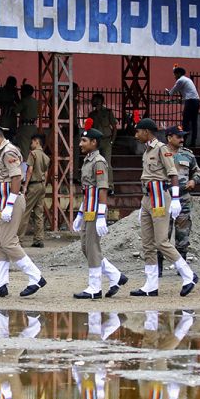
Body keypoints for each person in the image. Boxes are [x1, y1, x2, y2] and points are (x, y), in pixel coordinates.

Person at [130, 116, 197, 297]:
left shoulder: (162, 149)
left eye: (138, 131)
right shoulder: (147, 150)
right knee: (147, 243)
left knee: (161, 241)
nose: (136, 135)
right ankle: (151, 285)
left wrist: (175, 198)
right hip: (147, 198)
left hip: (160, 196)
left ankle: (188, 275)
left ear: (147, 132)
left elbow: (173, 174)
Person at [0, 124, 46, 298]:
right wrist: (0, 206)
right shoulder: (3, 151)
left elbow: (16, 177)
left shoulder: (9, 151)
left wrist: (9, 204)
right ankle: (0, 284)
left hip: (12, 201)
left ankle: (35, 276)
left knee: (8, 242)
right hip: (4, 202)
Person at [72, 119, 127, 299]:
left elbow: (102, 188)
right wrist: (79, 214)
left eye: (84, 141)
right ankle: (115, 275)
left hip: (96, 210)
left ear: (94, 143)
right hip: (88, 208)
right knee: (85, 247)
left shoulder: (99, 162)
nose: (80, 144)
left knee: (92, 247)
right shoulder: (88, 160)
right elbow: (88, 190)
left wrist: (102, 215)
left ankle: (95, 287)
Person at [158, 125, 200, 274]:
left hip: (183, 198)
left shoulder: (188, 155)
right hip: (165, 197)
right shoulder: (160, 153)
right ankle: (158, 268)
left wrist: (194, 181)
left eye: (183, 137)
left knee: (183, 233)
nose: (182, 139)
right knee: (163, 233)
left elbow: (197, 171)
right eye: (179, 137)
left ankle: (181, 268)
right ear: (169, 138)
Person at [18, 133, 50, 248]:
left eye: (32, 142)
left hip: (33, 185)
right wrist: (44, 185)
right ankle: (38, 239)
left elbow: (29, 170)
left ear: (36, 142)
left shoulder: (33, 154)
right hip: (42, 185)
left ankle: (19, 239)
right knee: (39, 213)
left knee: (25, 212)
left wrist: (25, 186)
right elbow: (46, 173)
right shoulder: (46, 157)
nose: (31, 144)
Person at [166, 66, 200, 147]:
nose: (174, 76)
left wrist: (168, 92)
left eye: (175, 74)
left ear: (179, 74)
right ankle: (193, 142)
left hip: (190, 101)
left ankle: (183, 142)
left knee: (185, 122)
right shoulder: (187, 79)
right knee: (194, 122)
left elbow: (173, 91)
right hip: (196, 101)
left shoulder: (180, 80)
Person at [88, 93, 118, 188]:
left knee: (107, 164)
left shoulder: (108, 112)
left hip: (106, 140)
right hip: (96, 142)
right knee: (95, 163)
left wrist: (112, 141)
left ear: (99, 101)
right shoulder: (91, 114)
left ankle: (110, 186)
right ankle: (97, 184)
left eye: (94, 100)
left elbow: (114, 127)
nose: (92, 101)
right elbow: (88, 129)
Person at [13, 83, 39, 160]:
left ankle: (25, 170)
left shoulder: (24, 101)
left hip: (25, 128)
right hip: (33, 127)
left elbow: (16, 111)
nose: (20, 93)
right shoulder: (35, 101)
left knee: (24, 151)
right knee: (34, 149)